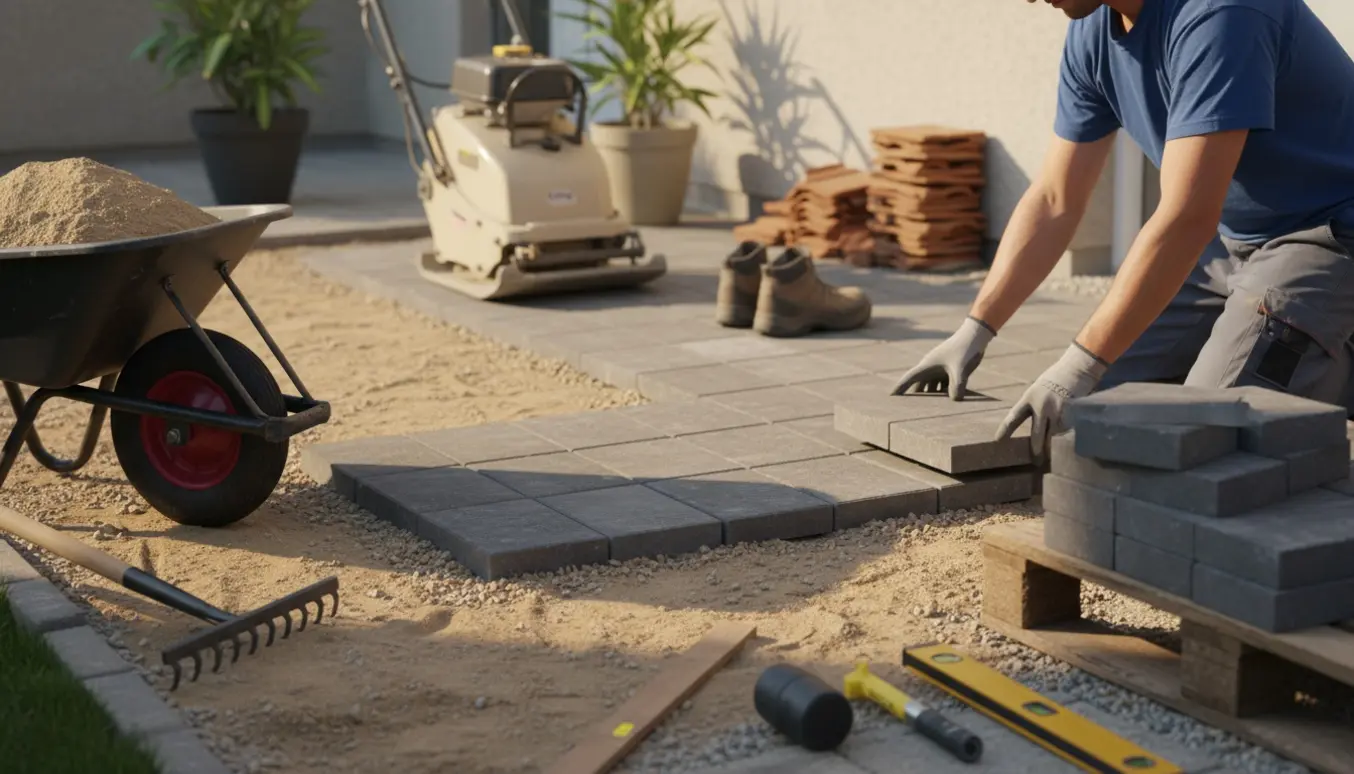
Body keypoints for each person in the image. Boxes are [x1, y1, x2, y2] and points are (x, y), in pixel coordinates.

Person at [891, 0, 1354, 458]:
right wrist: (976, 329)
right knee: (1090, 412)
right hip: (1229, 241)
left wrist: (1078, 363)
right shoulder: (1093, 27)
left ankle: (1324, 347)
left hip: (1328, 234)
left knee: (1207, 442)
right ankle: (1306, 350)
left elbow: (1185, 217)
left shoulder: (1223, 13)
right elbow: (1055, 198)